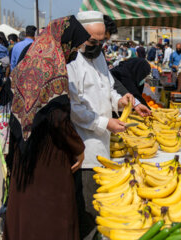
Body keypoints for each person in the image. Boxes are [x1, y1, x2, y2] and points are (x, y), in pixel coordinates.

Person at [3, 16, 90, 240]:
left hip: (24, 153)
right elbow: (58, 119)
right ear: (65, 42)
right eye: (74, 45)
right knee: (51, 215)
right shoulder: (54, 66)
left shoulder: (28, 59)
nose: (75, 52)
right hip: (48, 157)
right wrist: (78, 148)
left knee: (26, 210)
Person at [67, 11, 134, 240]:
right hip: (84, 147)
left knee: (100, 206)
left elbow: (109, 88)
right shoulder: (71, 61)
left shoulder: (99, 57)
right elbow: (74, 108)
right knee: (87, 209)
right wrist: (105, 123)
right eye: (93, 41)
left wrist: (119, 101)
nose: (98, 45)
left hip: (104, 145)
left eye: (102, 40)